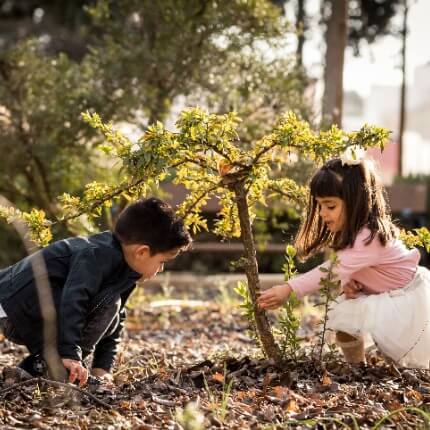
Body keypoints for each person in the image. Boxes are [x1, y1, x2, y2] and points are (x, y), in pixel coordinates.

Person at [258, 149, 430, 369]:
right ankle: (357, 368)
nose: (322, 213)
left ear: (356, 202)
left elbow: (330, 270)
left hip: (406, 300)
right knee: (345, 314)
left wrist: (289, 289)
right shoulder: (355, 234)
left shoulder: (368, 237)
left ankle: (391, 369)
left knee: (407, 355)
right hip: (387, 295)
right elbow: (352, 268)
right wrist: (353, 282)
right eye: (319, 205)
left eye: (330, 206)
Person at [0, 197, 191, 385]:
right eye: (162, 262)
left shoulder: (125, 268)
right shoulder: (97, 254)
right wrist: (69, 353)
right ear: (141, 252)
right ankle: (61, 365)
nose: (161, 269)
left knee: (113, 309)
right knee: (109, 304)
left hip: (26, 310)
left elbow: (117, 318)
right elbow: (74, 298)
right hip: (13, 308)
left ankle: (33, 368)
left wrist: (103, 367)